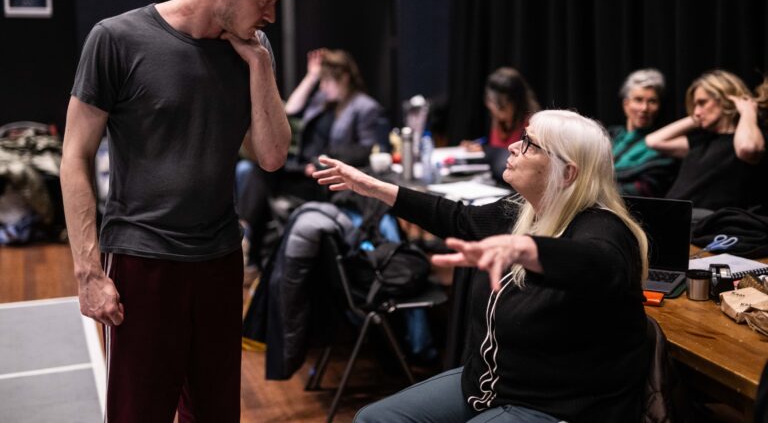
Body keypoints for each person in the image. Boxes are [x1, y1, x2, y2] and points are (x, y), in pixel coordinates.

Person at [59, 0, 302, 422]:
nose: (272, 17)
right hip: (142, 261)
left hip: (218, 261)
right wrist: (87, 269)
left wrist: (261, 67)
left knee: (214, 414)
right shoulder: (116, 39)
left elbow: (273, 155)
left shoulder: (252, 50)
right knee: (139, 413)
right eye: (265, 2)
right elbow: (75, 157)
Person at [314, 109, 650, 422]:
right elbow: (458, 219)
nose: (514, 146)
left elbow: (597, 266)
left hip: (554, 404)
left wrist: (526, 248)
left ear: (567, 173)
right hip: (488, 385)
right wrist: (372, 188)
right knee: (374, 419)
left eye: (531, 145)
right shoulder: (522, 209)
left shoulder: (605, 230)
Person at [235, 47, 383, 266]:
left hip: (322, 175)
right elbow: (291, 110)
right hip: (301, 169)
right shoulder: (322, 102)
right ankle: (251, 246)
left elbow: (366, 150)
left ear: (343, 77)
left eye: (325, 81)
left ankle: (250, 248)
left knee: (259, 176)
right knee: (255, 169)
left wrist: (321, 162)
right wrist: (311, 76)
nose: (321, 86)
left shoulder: (364, 107)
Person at [645, 70, 767, 217]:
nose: (696, 111)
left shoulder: (750, 139)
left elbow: (748, 148)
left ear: (725, 99)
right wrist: (696, 118)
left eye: (702, 103)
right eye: (694, 105)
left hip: (709, 225)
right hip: (674, 217)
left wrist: (748, 111)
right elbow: (653, 141)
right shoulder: (701, 141)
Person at [461, 67, 540, 183]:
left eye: (502, 106)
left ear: (517, 101)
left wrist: (490, 152)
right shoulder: (497, 119)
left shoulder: (532, 125)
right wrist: (482, 149)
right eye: (492, 103)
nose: (496, 110)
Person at [608, 68, 677, 197]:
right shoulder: (609, 135)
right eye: (638, 100)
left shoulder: (662, 148)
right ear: (626, 104)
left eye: (652, 101)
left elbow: (646, 190)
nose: (644, 108)